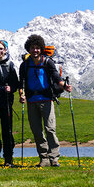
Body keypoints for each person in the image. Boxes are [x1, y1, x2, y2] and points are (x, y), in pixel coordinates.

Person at [19, 34, 72, 167]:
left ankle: (54, 157)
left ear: (41, 48)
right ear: (28, 49)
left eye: (37, 48)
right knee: (37, 131)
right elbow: (21, 83)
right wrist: (21, 94)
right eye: (32, 48)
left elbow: (55, 76)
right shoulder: (24, 65)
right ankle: (44, 158)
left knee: (50, 129)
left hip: (47, 100)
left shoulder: (48, 62)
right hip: (31, 100)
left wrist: (64, 86)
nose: (35, 50)